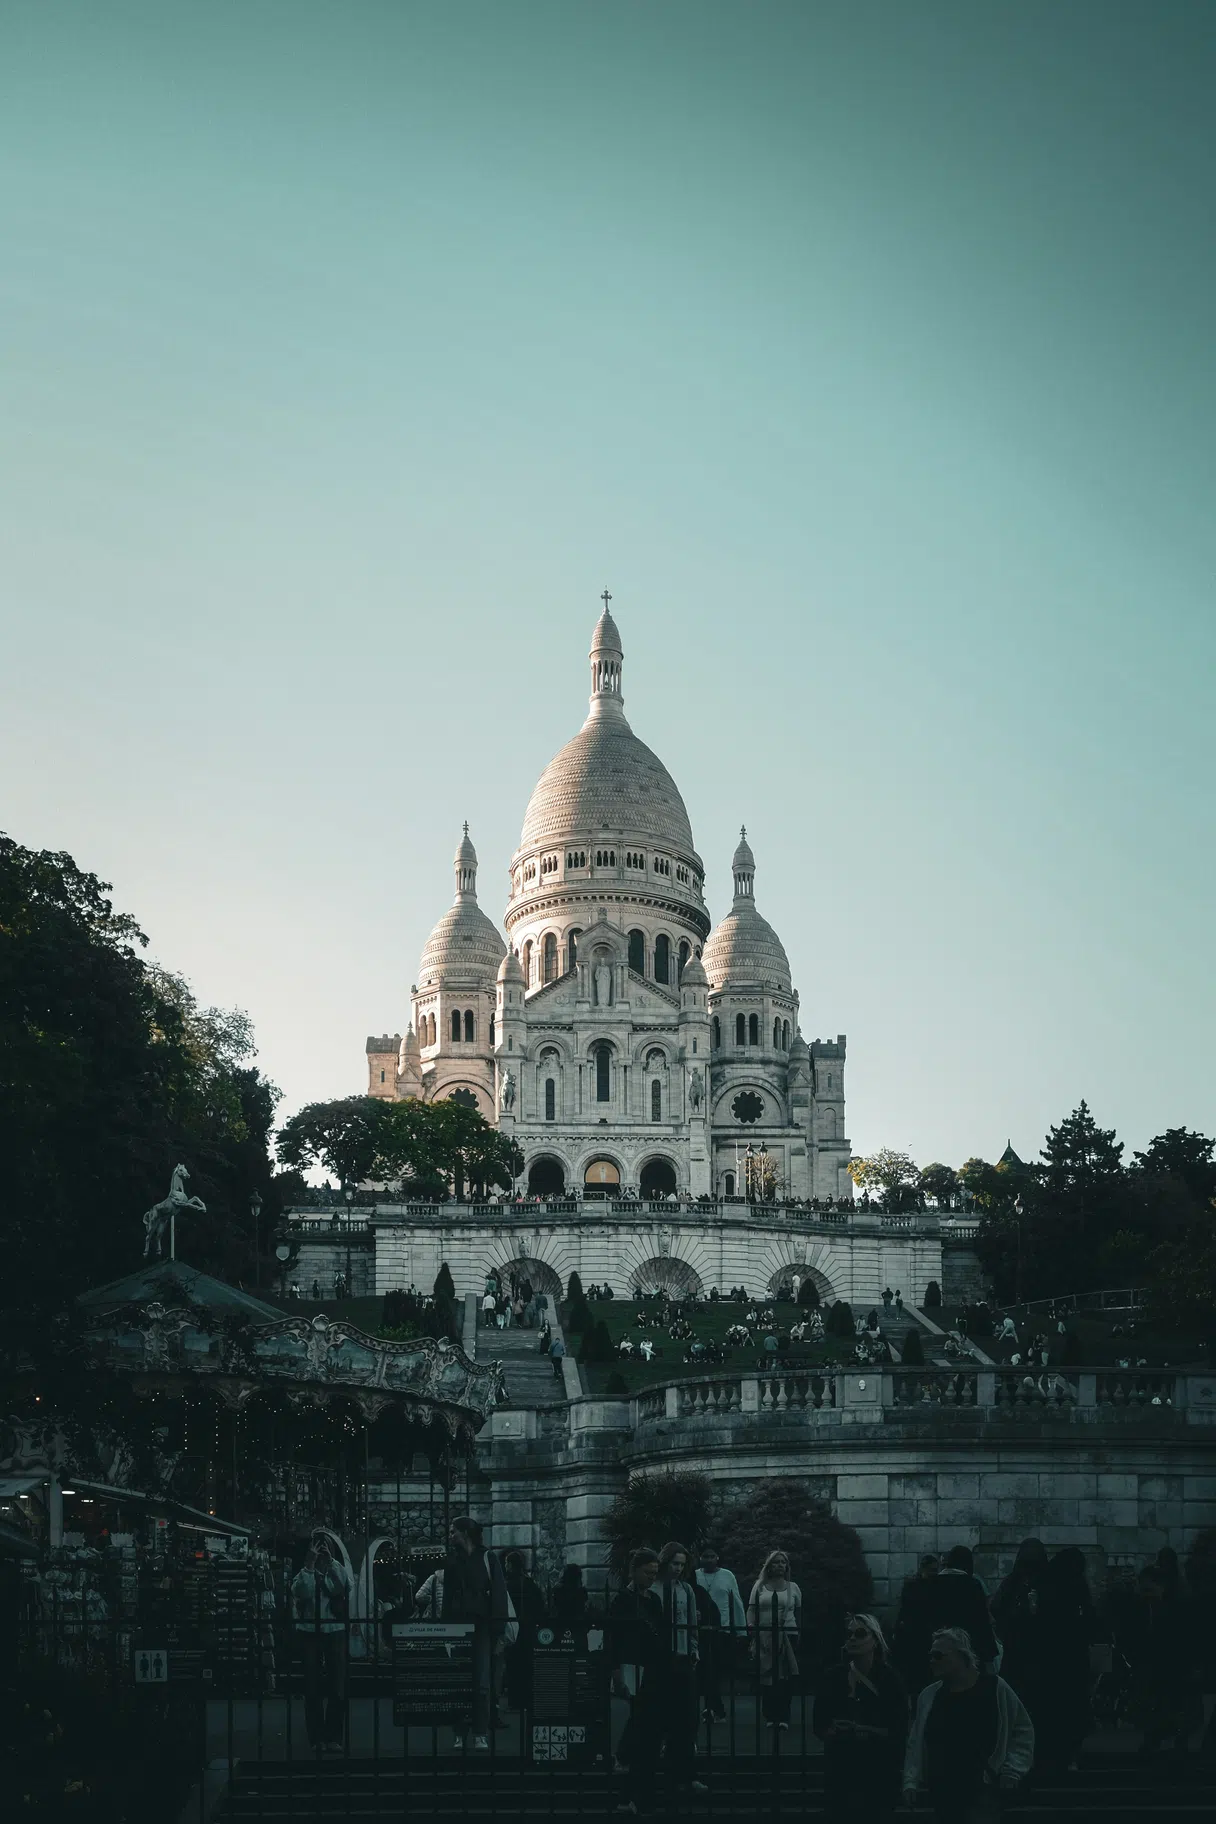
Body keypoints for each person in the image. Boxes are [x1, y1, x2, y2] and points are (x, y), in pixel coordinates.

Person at [610, 1546, 707, 1813]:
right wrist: (616, 1672)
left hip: (657, 1669)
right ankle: (629, 1791)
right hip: (636, 1667)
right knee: (642, 1727)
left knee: (651, 1733)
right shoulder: (626, 1599)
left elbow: (661, 1636)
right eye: (648, 1572)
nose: (652, 1577)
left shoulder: (654, 1599)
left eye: (654, 1573)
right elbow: (614, 1639)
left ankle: (643, 1794)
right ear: (635, 1571)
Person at [903, 1627, 1034, 1824]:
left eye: (938, 1655)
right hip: (942, 1789)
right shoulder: (929, 1696)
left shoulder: (995, 1688)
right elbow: (916, 1740)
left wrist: (1012, 1769)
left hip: (982, 1787)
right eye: (930, 1655)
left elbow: (1021, 1730)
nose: (932, 1660)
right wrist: (910, 1781)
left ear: (961, 1656)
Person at [814, 1612, 908, 1824]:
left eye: (860, 1633)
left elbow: (899, 1729)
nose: (853, 1639)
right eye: (849, 1634)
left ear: (875, 1640)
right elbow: (819, 1724)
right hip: (841, 1771)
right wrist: (833, 1730)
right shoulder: (832, 1677)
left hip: (878, 1772)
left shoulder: (891, 1681)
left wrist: (863, 1729)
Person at [441, 1516, 511, 1748]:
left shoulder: (487, 1557)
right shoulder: (452, 1561)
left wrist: (499, 1632)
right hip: (458, 1627)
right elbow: (447, 1599)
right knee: (458, 1680)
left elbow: (499, 1594)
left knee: (481, 1681)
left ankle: (480, 1731)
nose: (450, 1535)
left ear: (465, 1533)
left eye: (453, 1531)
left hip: (481, 1626)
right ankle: (459, 1731)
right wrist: (445, 1630)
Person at [290, 1529, 353, 1753]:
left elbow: (343, 1587)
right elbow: (301, 1593)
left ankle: (334, 1736)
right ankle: (317, 1737)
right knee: (312, 1686)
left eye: (324, 1544)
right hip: (310, 1630)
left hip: (334, 1629)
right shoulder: (304, 1572)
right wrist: (310, 1564)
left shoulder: (337, 1569)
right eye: (317, 1545)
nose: (320, 1548)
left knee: (338, 1685)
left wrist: (330, 1561)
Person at [1037, 1547, 1096, 1773]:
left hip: (1050, 1657)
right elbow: (1089, 1619)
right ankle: (1070, 1755)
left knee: (1054, 1706)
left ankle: (1051, 1754)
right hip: (1074, 1656)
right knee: (1073, 1706)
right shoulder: (1077, 1584)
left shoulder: (1046, 1583)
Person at [990, 1539, 1049, 1725]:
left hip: (1017, 1648)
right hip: (1038, 1651)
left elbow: (996, 1607)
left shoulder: (1013, 1581)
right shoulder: (1047, 1581)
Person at [747, 1549, 801, 1730]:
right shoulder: (760, 1585)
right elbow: (752, 1609)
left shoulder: (793, 1587)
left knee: (785, 1678)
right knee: (767, 1676)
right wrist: (752, 1630)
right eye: (776, 1562)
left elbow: (798, 1612)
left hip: (788, 1635)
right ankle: (770, 1715)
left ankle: (783, 1716)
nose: (780, 1565)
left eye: (783, 1562)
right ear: (769, 1565)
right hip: (764, 1635)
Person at [922, 1547, 997, 1674]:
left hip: (937, 1651)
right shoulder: (973, 1585)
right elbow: (981, 1622)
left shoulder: (930, 1584)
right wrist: (988, 1655)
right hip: (967, 1653)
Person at [503, 1549, 546, 1714]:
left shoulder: (507, 1585)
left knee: (513, 1666)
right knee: (527, 1665)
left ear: (511, 1565)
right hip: (528, 1629)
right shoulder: (530, 1584)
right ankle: (527, 1699)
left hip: (513, 1629)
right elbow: (540, 1607)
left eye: (507, 1563)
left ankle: (514, 1700)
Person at [893, 1556, 941, 1695]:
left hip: (919, 1634)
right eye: (932, 1570)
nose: (934, 1573)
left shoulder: (914, 1585)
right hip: (916, 1634)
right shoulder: (927, 1586)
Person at [554, 1562, 591, 1650]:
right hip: (578, 1624)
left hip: (562, 1623)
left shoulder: (558, 1590)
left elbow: (555, 1606)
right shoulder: (581, 1591)